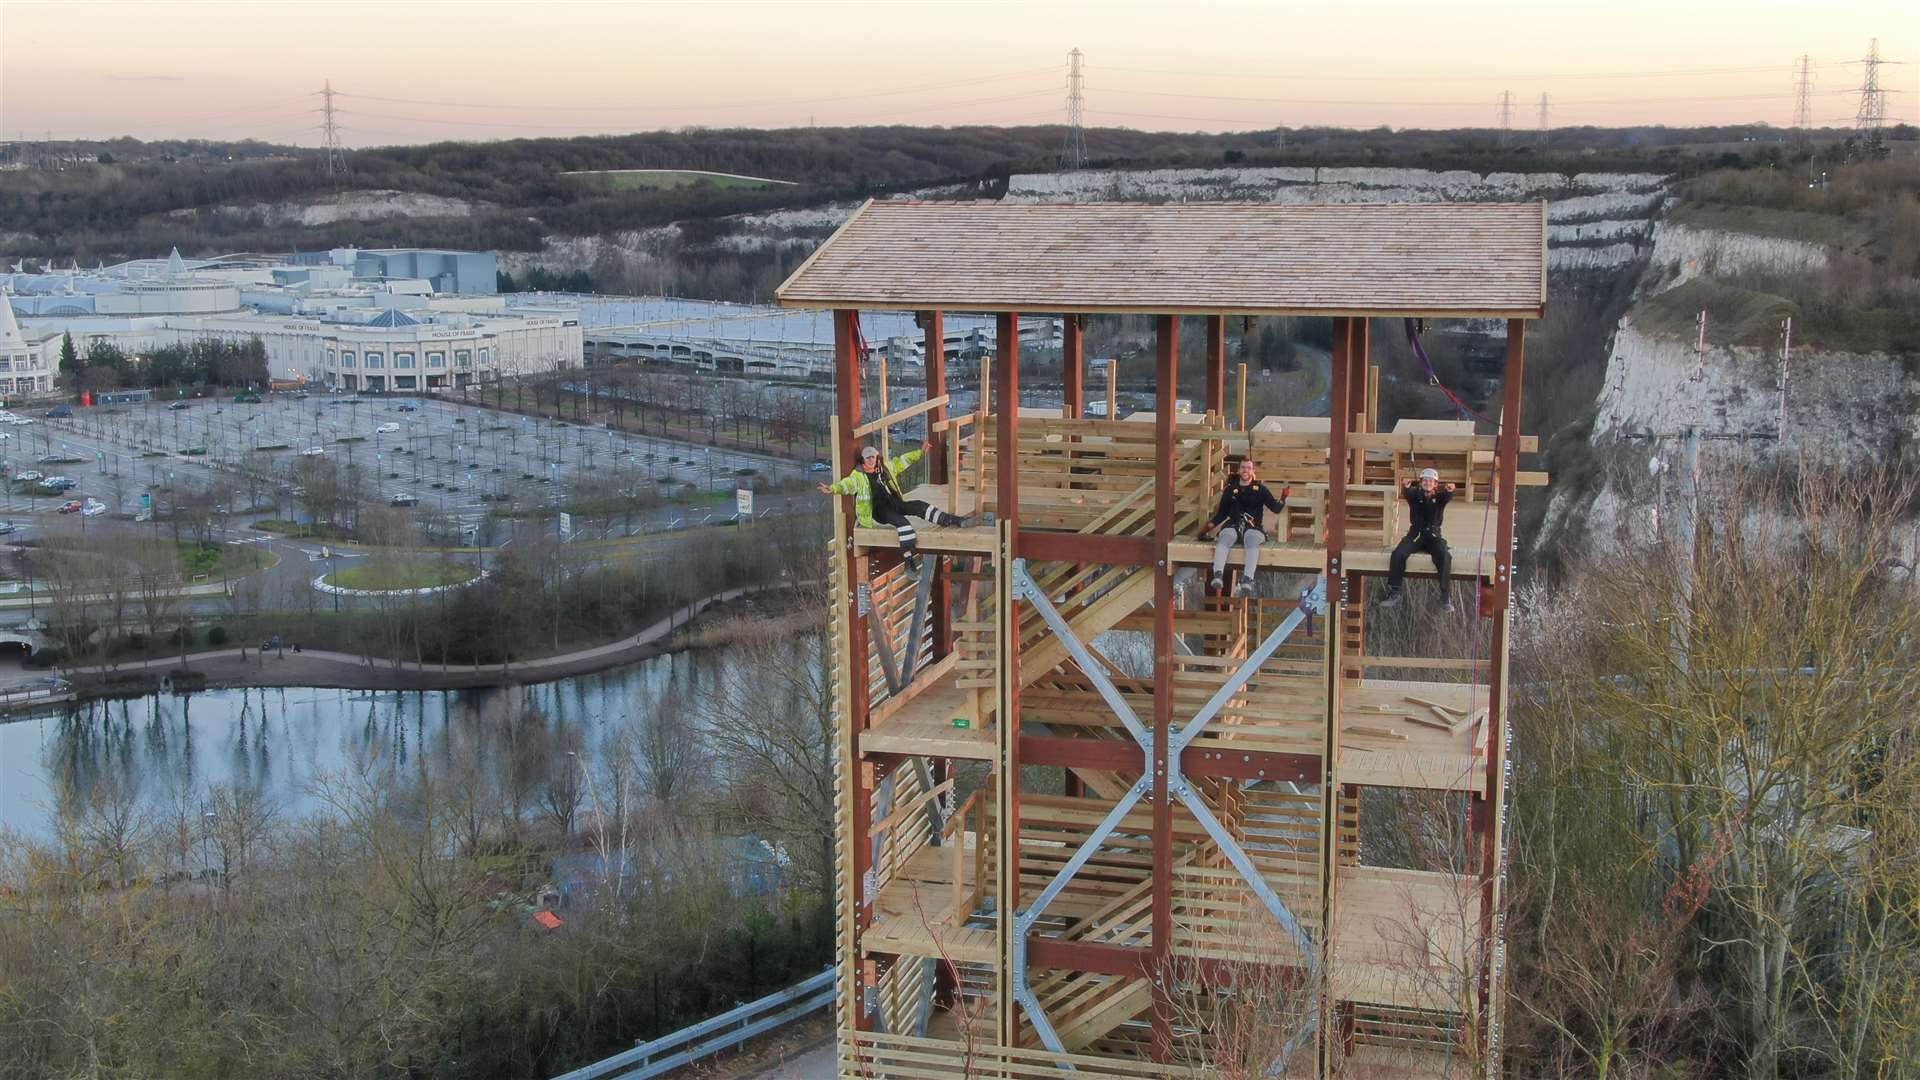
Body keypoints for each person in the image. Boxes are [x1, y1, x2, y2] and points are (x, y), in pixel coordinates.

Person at [818, 440, 968, 573]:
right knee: (903, 523)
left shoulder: (885, 469)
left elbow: (902, 461)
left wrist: (920, 453)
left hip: (894, 502)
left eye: (873, 457)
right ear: (863, 460)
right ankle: (909, 561)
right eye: (868, 458)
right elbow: (847, 485)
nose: (871, 460)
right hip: (879, 511)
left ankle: (951, 520)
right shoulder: (858, 475)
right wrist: (832, 489)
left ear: (877, 457)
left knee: (920, 506)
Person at [1199, 458, 1288, 597]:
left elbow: (1275, 508)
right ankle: (1218, 575)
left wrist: (1283, 498)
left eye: (1248, 468)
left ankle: (1247, 579)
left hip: (1253, 528)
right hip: (1234, 525)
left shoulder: (1260, 490)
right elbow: (1221, 514)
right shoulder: (1230, 490)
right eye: (1243, 467)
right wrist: (1206, 529)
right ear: (1239, 470)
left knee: (1251, 541)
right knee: (1224, 539)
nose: (1245, 470)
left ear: (1253, 471)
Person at [1381, 467, 1455, 612]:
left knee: (1444, 556)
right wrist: (1406, 486)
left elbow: (1447, 496)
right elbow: (1408, 493)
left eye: (1431, 481)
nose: (1428, 483)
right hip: (1416, 535)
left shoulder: (1439, 497)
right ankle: (1394, 592)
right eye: (1425, 480)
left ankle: (1445, 595)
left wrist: (1450, 490)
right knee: (1398, 554)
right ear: (1420, 482)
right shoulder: (1415, 495)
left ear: (1435, 484)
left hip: (1433, 536)